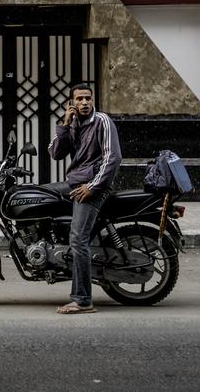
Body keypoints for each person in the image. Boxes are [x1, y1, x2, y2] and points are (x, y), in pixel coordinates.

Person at [46, 82, 122, 314]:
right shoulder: (73, 123)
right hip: (76, 182)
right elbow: (55, 153)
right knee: (42, 195)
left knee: (78, 238)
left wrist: (92, 187)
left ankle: (82, 300)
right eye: (79, 99)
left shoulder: (102, 121)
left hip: (94, 187)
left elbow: (113, 158)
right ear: (72, 103)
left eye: (88, 98)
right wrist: (65, 124)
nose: (85, 102)